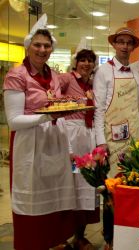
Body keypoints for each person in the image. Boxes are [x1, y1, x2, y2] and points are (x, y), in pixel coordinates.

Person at [3, 14, 77, 250]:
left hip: (54, 142)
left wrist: (69, 148)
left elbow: (58, 108)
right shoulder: (17, 75)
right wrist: (46, 117)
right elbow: (14, 121)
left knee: (54, 201)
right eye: (37, 44)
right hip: (29, 145)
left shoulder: (53, 75)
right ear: (28, 46)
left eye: (47, 45)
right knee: (32, 201)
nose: (42, 49)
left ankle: (51, 242)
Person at [59, 48, 99, 249]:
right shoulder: (67, 79)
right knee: (69, 187)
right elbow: (52, 92)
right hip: (71, 139)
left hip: (88, 140)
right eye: (82, 60)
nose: (86, 63)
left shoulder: (92, 85)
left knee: (85, 186)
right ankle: (59, 238)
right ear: (76, 63)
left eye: (90, 60)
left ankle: (79, 236)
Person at [93, 27, 139, 176]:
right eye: (121, 42)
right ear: (114, 45)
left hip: (135, 137)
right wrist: (101, 141)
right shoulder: (103, 71)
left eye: (129, 43)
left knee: (135, 179)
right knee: (114, 181)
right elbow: (99, 110)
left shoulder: (135, 72)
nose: (125, 46)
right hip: (113, 139)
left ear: (133, 47)